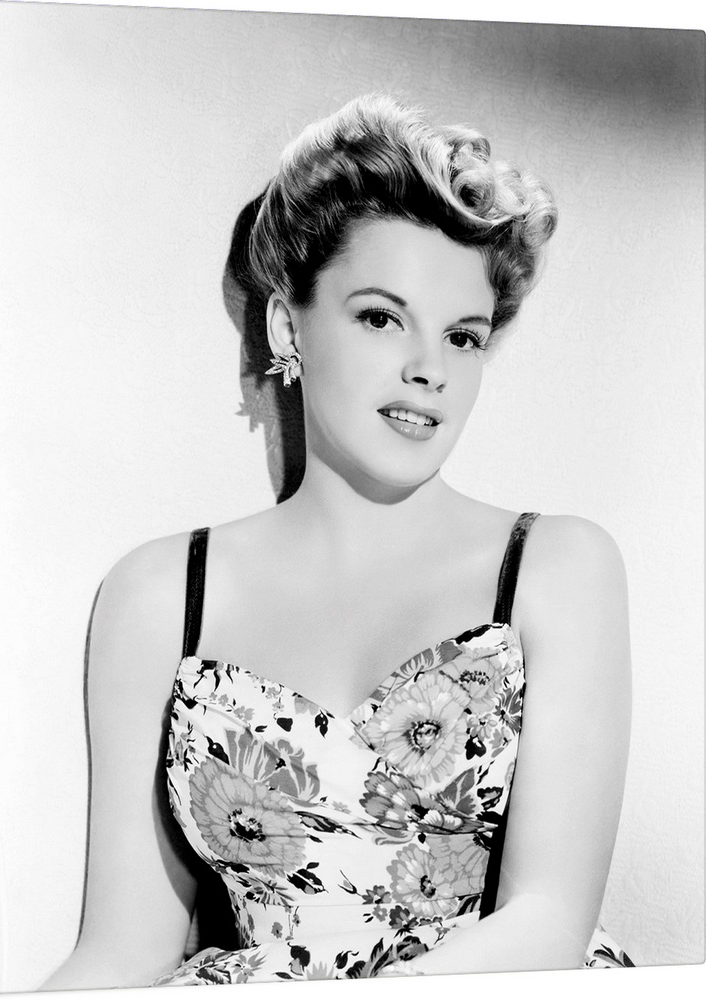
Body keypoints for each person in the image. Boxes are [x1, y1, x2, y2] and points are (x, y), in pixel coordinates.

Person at [41, 94, 633, 990]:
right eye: (381, 317)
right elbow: (124, 951)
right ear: (289, 327)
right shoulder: (161, 592)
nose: (429, 369)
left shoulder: (558, 567)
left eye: (462, 336)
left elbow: (547, 919)